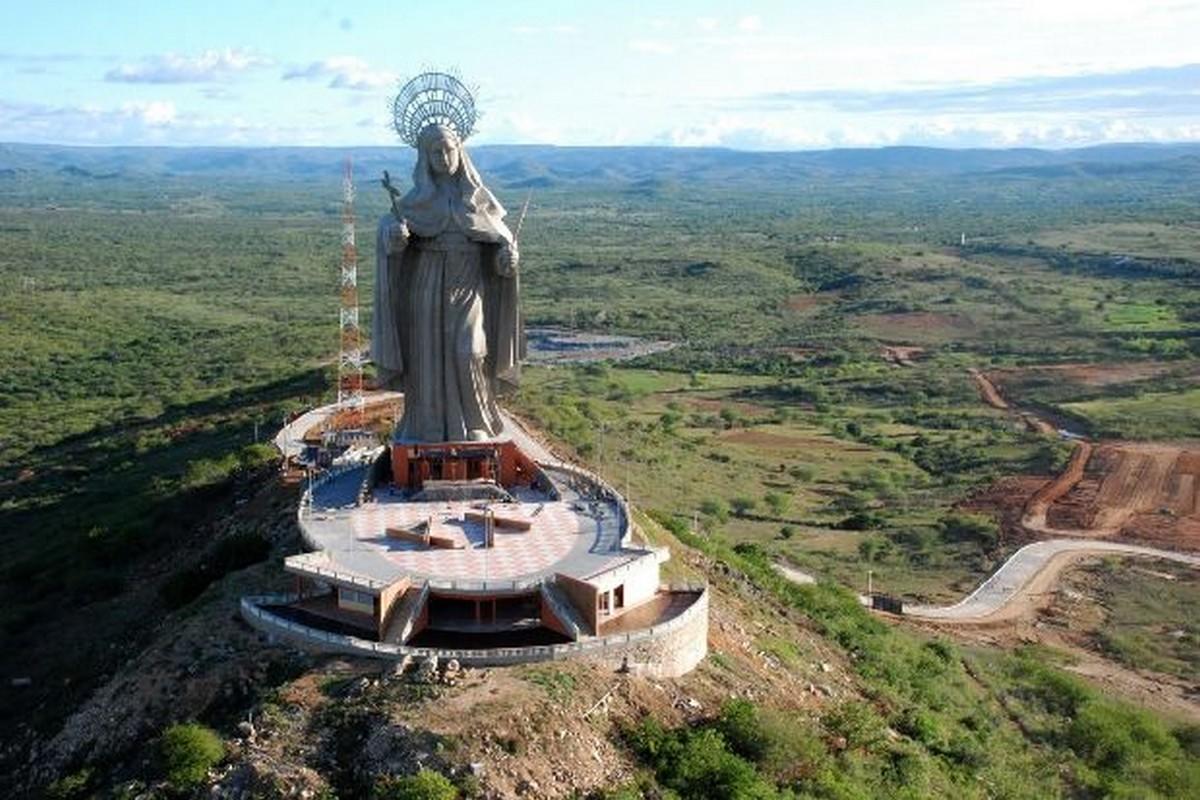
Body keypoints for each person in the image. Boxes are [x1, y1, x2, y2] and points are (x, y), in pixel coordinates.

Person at [372, 124, 524, 443]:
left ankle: (476, 421)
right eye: (435, 152)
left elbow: (500, 244)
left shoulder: (478, 201)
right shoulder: (415, 203)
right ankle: (427, 427)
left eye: (448, 149)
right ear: (425, 158)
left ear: (460, 149)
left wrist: (507, 259)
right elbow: (391, 231)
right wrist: (394, 238)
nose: (443, 157)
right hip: (426, 284)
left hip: (469, 284)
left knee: (469, 350)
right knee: (427, 356)